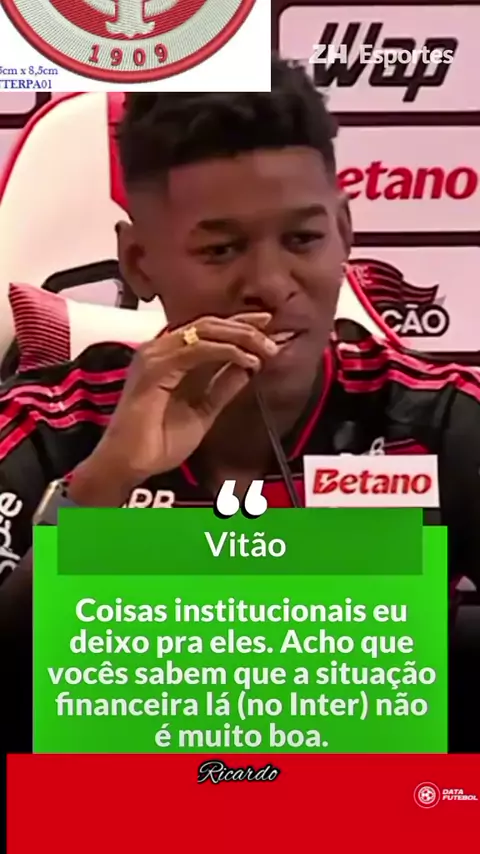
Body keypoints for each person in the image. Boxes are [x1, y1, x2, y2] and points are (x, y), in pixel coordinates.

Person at [0, 57, 479, 751]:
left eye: (303, 239)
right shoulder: (47, 426)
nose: (272, 283)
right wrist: (102, 486)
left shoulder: (437, 419)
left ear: (345, 230)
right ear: (139, 262)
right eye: (222, 249)